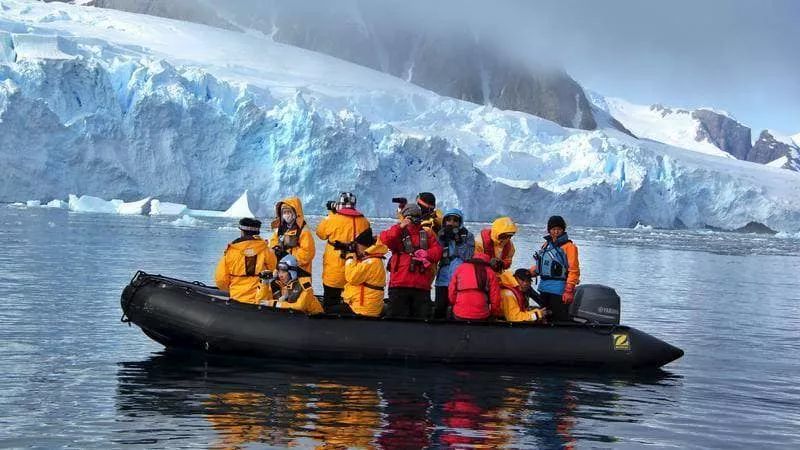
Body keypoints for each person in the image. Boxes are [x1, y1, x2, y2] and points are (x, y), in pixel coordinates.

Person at [380, 203, 443, 319]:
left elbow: (438, 252)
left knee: (420, 319)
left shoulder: (427, 234)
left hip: (420, 285)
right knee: (396, 319)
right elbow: (385, 239)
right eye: (410, 216)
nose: (413, 219)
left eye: (415, 216)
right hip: (400, 284)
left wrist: (427, 254)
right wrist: (400, 227)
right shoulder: (398, 233)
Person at [315, 192, 371, 310]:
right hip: (355, 264)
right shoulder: (364, 221)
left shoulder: (332, 218)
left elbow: (320, 233)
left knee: (331, 297)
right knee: (351, 297)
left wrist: (331, 212)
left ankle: (329, 317)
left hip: (334, 265)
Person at [214, 217, 277, 304]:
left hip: (238, 297)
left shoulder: (231, 252)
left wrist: (231, 288)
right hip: (262, 299)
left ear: (242, 232)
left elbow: (220, 280)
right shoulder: (267, 251)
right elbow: (272, 269)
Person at [531, 215, 580, 322]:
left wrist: (569, 290)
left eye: (559, 229)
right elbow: (541, 265)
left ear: (563, 230)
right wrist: (527, 273)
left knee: (558, 319)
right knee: (544, 317)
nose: (556, 232)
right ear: (549, 230)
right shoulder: (546, 245)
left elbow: (574, 270)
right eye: (553, 229)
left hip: (559, 290)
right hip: (544, 288)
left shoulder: (569, 247)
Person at [334, 228, 388, 317]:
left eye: (357, 245)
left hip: (364, 309)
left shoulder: (371, 261)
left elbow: (351, 277)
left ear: (363, 246)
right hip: (363, 304)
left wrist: (350, 257)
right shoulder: (372, 258)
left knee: (330, 311)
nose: (356, 248)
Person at [433, 208, 474, 319]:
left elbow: (468, 256)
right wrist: (441, 239)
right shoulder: (440, 235)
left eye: (455, 220)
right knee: (440, 308)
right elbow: (435, 256)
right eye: (449, 220)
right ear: (444, 221)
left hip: (460, 279)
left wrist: (459, 241)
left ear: (460, 222)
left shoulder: (467, 236)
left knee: (458, 308)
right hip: (443, 278)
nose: (452, 223)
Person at [269, 196, 315, 275]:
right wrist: (276, 250)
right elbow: (272, 245)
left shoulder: (304, 231)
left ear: (295, 213)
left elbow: (307, 254)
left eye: (289, 212)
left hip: (299, 271)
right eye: (284, 212)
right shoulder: (279, 230)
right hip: (282, 270)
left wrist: (288, 259)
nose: (286, 215)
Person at [448, 253, 501, 321]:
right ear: (487, 261)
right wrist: (494, 313)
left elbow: (451, 290)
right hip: (482, 314)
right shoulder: (490, 272)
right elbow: (495, 297)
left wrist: (454, 303)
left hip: (460, 313)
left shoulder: (460, 268)